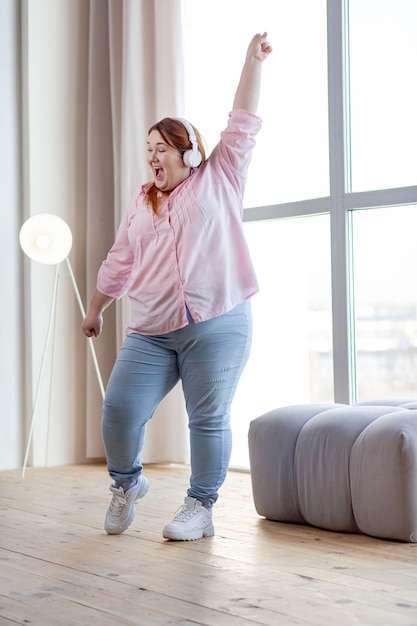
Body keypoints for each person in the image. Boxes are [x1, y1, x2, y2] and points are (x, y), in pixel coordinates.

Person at [82, 32, 273, 541]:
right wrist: (97, 308)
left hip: (217, 321)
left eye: (161, 147)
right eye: (148, 149)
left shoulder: (221, 176)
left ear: (187, 154)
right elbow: (120, 258)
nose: (152, 156)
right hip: (151, 329)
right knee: (120, 411)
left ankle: (200, 506)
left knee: (207, 418)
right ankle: (127, 485)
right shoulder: (141, 201)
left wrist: (251, 61)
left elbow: (243, 121)